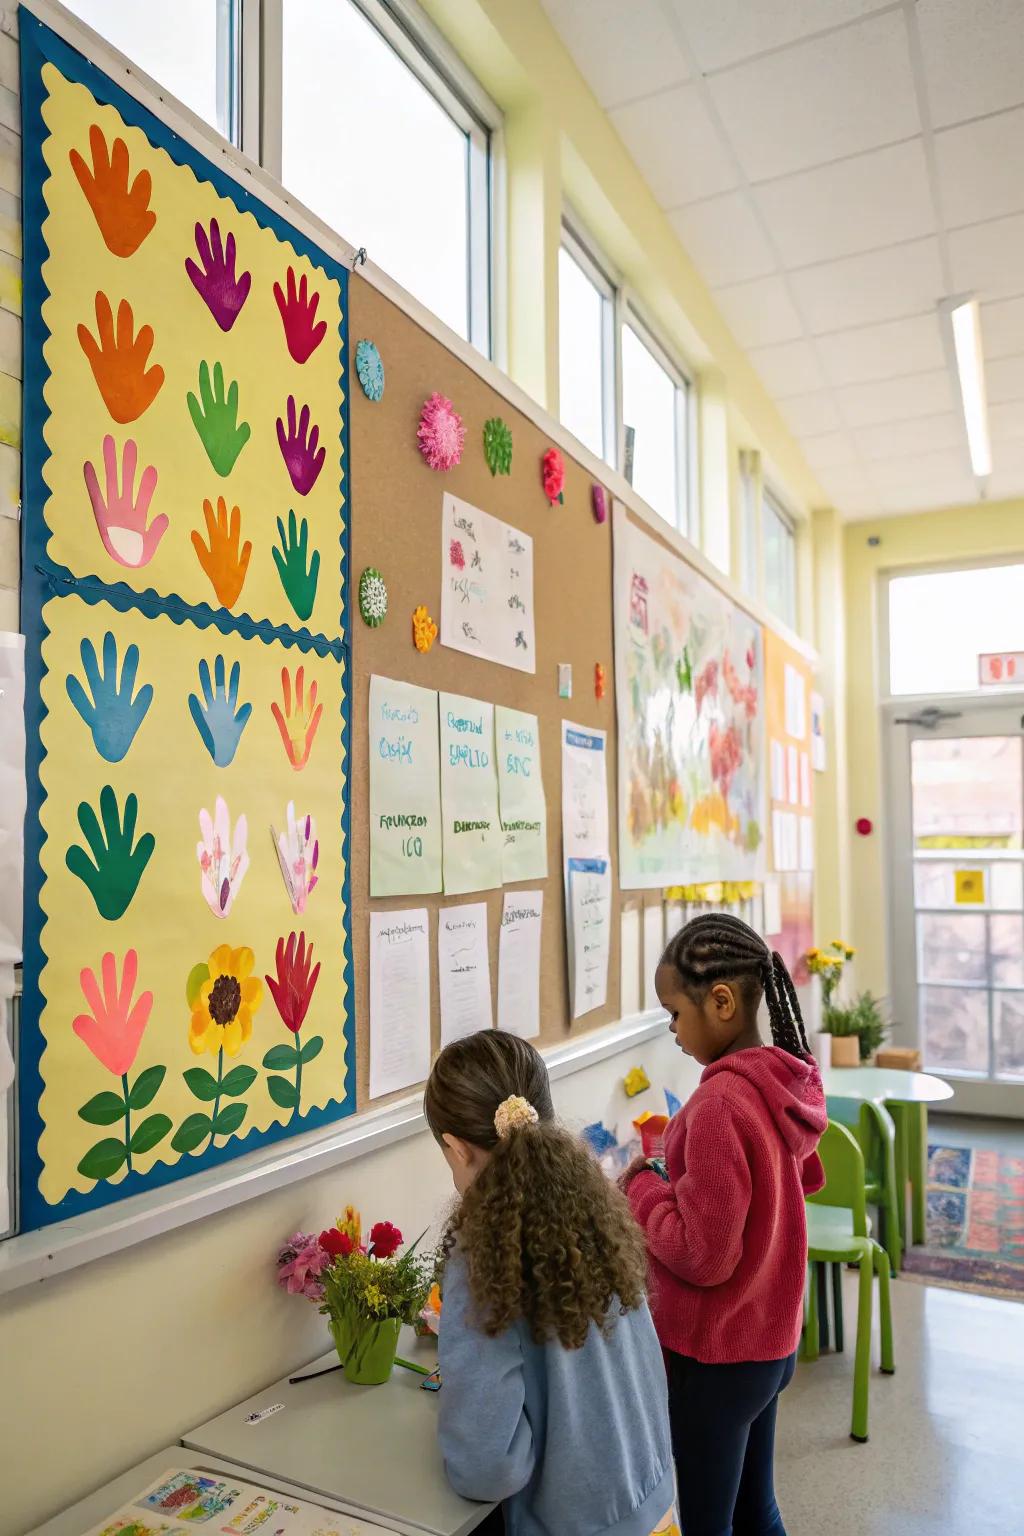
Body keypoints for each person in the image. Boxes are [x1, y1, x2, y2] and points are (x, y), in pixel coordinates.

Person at [424, 1029, 678, 1536]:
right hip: (654, 1507)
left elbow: (487, 1468)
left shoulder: (482, 1257)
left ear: (455, 1148)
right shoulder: (592, 1206)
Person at [624, 913, 827, 1536]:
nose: (673, 1031)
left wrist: (642, 1189)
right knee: (755, 1510)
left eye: (676, 1014)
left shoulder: (718, 1103)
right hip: (768, 1342)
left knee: (708, 1524)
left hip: (714, 1357)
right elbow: (799, 1179)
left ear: (721, 1001)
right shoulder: (782, 1079)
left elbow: (704, 1256)